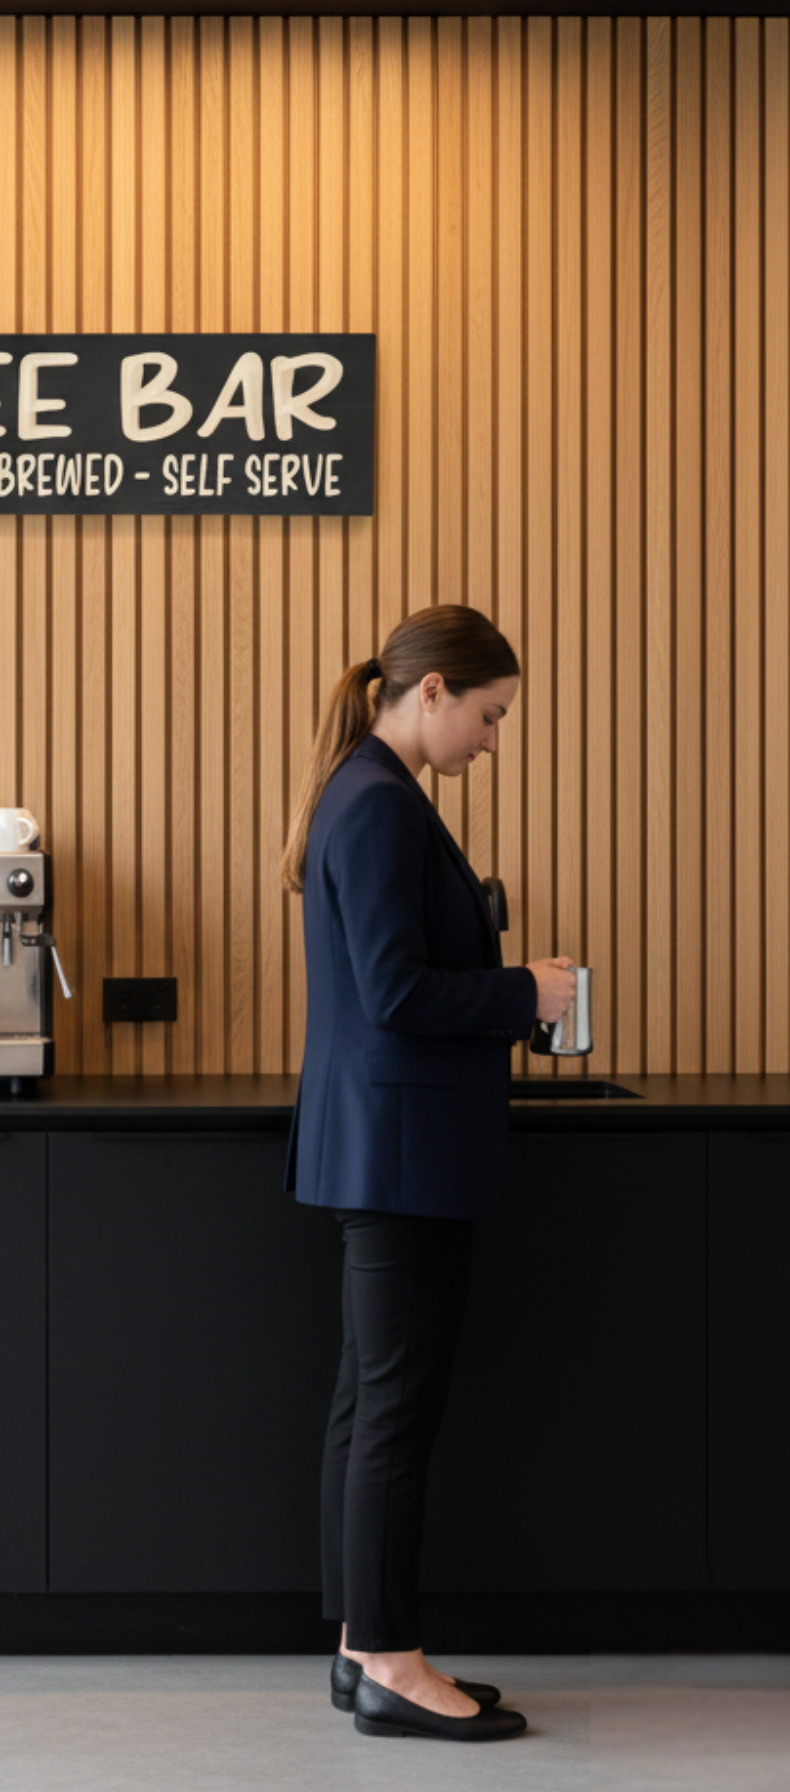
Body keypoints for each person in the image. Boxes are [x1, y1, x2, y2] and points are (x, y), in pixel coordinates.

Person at [279, 604, 577, 1744]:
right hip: (397, 1153)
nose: (491, 740)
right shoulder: (376, 802)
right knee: (392, 1412)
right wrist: (524, 996)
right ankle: (388, 1658)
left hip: (386, 1146)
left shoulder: (368, 792)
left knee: (371, 1406)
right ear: (433, 690)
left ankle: (366, 1646)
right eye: (489, 715)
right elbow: (397, 992)